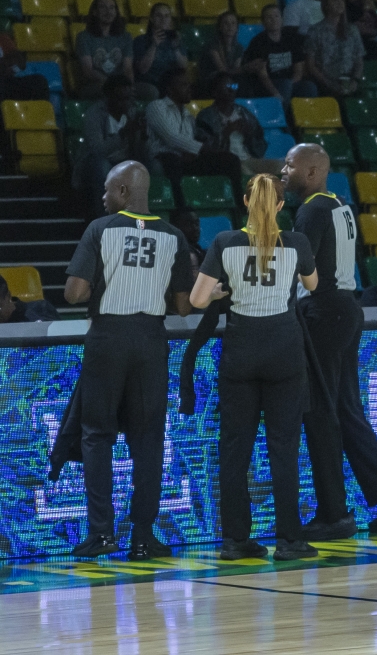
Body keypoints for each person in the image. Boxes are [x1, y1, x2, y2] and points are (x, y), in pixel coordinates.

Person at [283, 143, 377, 540]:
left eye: (291, 166)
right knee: (345, 410)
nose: (284, 171)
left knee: (322, 414)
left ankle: (334, 514)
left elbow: (298, 267)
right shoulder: (340, 204)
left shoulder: (310, 209)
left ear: (312, 172)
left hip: (324, 312)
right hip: (347, 308)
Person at [62, 160, 194, 559]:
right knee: (148, 440)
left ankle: (102, 534)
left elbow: (73, 293)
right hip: (152, 340)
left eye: (107, 189)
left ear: (122, 192)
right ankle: (143, 536)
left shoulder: (99, 230)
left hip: (108, 338)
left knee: (97, 436)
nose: (102, 197)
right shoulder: (173, 236)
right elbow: (185, 307)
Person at [189, 174, 320, 562]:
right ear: (280, 206)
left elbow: (197, 300)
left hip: (241, 353)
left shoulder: (225, 242)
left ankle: (235, 540)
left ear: (246, 201)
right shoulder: (295, 242)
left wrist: (216, 291)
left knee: (235, 449)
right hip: (284, 352)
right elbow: (312, 285)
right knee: (284, 449)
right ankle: (289, 541)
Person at [145, 67, 244, 200]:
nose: (189, 88)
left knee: (230, 160)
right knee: (172, 159)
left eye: (189, 85)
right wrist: (200, 148)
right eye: (184, 85)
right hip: (163, 158)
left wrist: (195, 152)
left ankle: (239, 206)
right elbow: (171, 138)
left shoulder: (189, 115)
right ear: (170, 89)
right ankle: (180, 210)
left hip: (185, 159)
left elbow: (189, 143)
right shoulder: (156, 106)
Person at [74, 75, 142, 219]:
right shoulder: (94, 114)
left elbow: (136, 150)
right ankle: (106, 220)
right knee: (103, 166)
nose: (124, 103)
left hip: (123, 161)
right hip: (93, 164)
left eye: (127, 99)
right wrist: (123, 134)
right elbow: (97, 151)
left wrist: (143, 138)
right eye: (119, 99)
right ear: (108, 97)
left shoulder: (132, 111)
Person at [195, 73, 281, 176]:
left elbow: (260, 146)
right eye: (227, 87)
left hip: (249, 159)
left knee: (281, 167)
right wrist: (226, 133)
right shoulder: (206, 117)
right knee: (245, 172)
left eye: (234, 86)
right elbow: (205, 152)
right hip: (227, 163)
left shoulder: (244, 113)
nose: (232, 90)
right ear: (215, 92)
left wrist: (249, 136)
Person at [242, 4, 317, 101]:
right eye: (269, 17)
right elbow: (263, 76)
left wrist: (290, 84)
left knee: (309, 87)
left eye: (276, 16)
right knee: (285, 86)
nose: (273, 20)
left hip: (289, 82)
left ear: (282, 19)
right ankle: (281, 115)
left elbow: (299, 70)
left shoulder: (291, 38)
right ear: (263, 22)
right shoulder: (258, 42)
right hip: (267, 84)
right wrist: (276, 93)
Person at [305, 0, 365, 98]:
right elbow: (311, 65)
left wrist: (355, 81)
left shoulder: (352, 30)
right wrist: (329, 84)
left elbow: (359, 61)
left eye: (342, 0)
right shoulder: (315, 31)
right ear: (326, 5)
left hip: (349, 82)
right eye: (335, 0)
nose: (340, 3)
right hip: (325, 84)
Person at [75, 0, 134, 100]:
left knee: (150, 91)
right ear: (94, 12)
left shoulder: (126, 36)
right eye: (103, 7)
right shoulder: (84, 37)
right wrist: (112, 84)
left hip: (121, 85)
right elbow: (88, 70)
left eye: (112, 7)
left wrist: (129, 85)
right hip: (95, 84)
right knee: (115, 93)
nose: (108, 11)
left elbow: (128, 68)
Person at [132, 3, 187, 102]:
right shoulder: (141, 40)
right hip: (148, 82)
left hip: (169, 82)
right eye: (159, 15)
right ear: (152, 19)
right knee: (154, 92)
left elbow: (183, 68)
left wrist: (176, 48)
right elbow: (142, 69)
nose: (163, 19)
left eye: (167, 16)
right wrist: (154, 45)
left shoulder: (175, 40)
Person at [198, 11, 244, 96]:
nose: (230, 26)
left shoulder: (239, 47)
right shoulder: (212, 44)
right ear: (220, 27)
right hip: (212, 82)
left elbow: (236, 69)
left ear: (237, 27)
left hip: (229, 80)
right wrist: (244, 68)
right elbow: (221, 70)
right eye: (226, 23)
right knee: (225, 82)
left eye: (233, 23)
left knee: (243, 82)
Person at [0, 31, 49, 101]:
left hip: (8, 82)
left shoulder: (3, 40)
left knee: (40, 82)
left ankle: (40, 110)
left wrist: (14, 69)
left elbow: (21, 63)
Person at [170, 208, 205, 281]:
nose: (195, 228)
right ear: (176, 227)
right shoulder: (178, 252)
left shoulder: (198, 249)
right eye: (189, 224)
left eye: (197, 223)